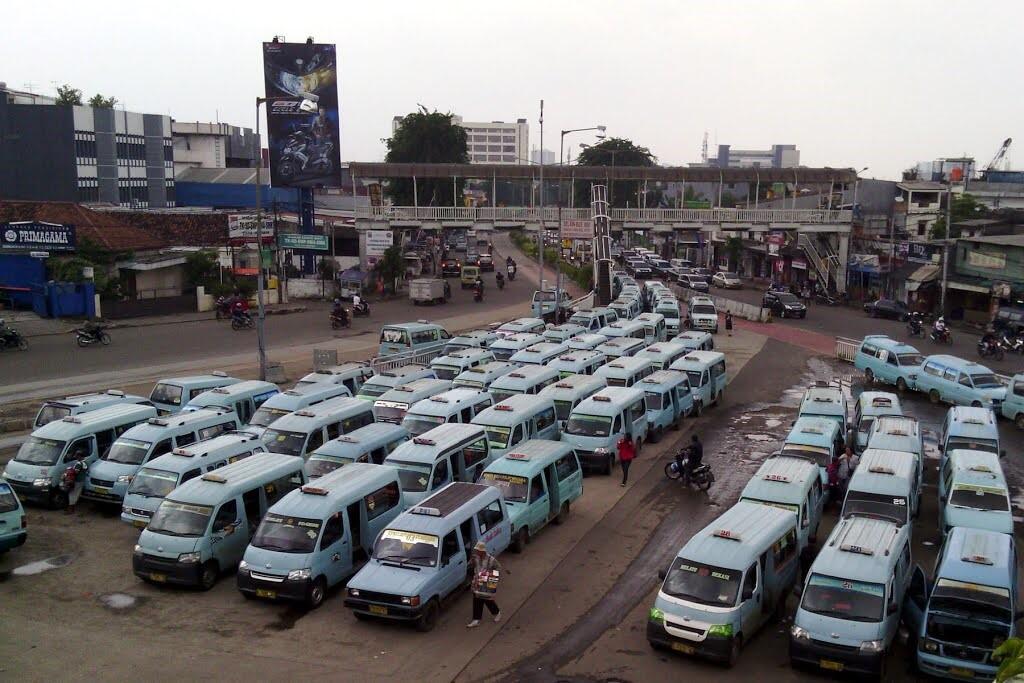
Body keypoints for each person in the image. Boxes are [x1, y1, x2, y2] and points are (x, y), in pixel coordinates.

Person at [467, 541, 503, 628]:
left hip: (486, 582)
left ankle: (497, 613)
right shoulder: (475, 558)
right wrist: (471, 561)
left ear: (482, 551)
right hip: (477, 582)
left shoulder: (491, 559)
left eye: (477, 551)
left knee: (487, 599)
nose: (476, 552)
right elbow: (469, 565)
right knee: (477, 599)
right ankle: (476, 619)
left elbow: (499, 568)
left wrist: (489, 574)